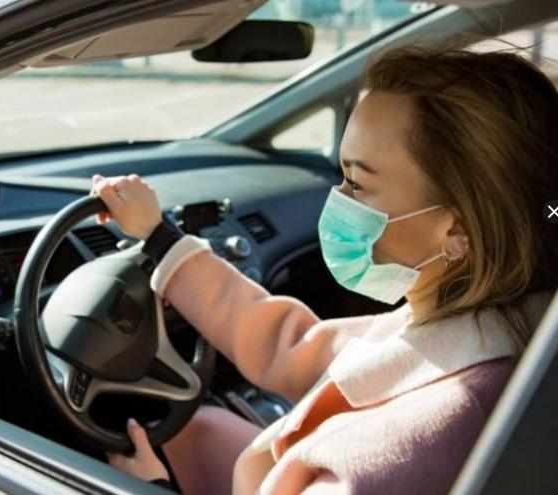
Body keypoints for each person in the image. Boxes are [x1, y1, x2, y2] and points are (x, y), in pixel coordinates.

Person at [93, 43, 558, 494]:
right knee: (203, 427)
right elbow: (296, 346)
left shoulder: (416, 442)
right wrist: (162, 239)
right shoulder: (487, 323)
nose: (337, 198)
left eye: (357, 182)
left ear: (456, 229)